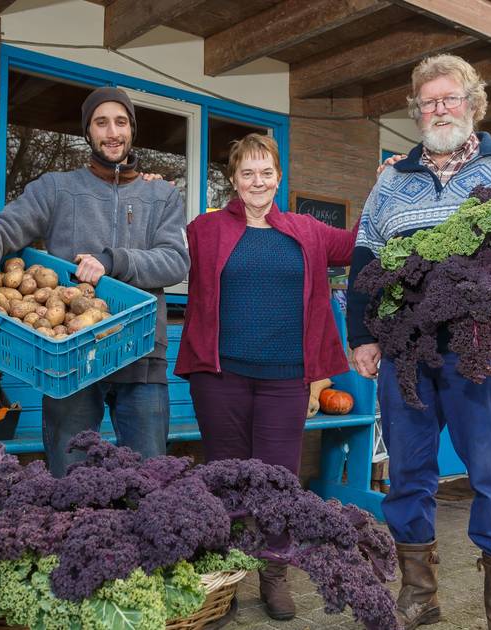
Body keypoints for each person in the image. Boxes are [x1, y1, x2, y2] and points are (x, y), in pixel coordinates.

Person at [347, 54, 491, 630]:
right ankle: (418, 595)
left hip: (477, 348)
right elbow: (366, 256)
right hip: (404, 349)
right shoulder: (392, 179)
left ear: (473, 104)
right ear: (416, 112)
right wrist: (362, 335)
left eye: (450, 98)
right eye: (428, 101)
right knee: (408, 472)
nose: (440, 109)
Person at [0, 86, 190, 476]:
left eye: (120, 122)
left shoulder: (162, 195)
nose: (112, 132)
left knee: (152, 480)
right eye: (101, 122)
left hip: (141, 355)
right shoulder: (56, 188)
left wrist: (114, 261)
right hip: (68, 358)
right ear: (88, 132)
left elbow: (176, 261)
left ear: (132, 129)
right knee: (70, 477)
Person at [174, 133, 357, 621]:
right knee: (227, 480)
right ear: (233, 179)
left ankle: (274, 574)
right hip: (220, 377)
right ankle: (229, 579)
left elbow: (362, 242)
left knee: (278, 483)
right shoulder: (205, 228)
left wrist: (388, 188)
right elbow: (159, 243)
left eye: (266, 172)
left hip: (285, 379)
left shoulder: (307, 230)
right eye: (247, 173)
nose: (258, 181)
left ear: (279, 177)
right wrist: (148, 191)